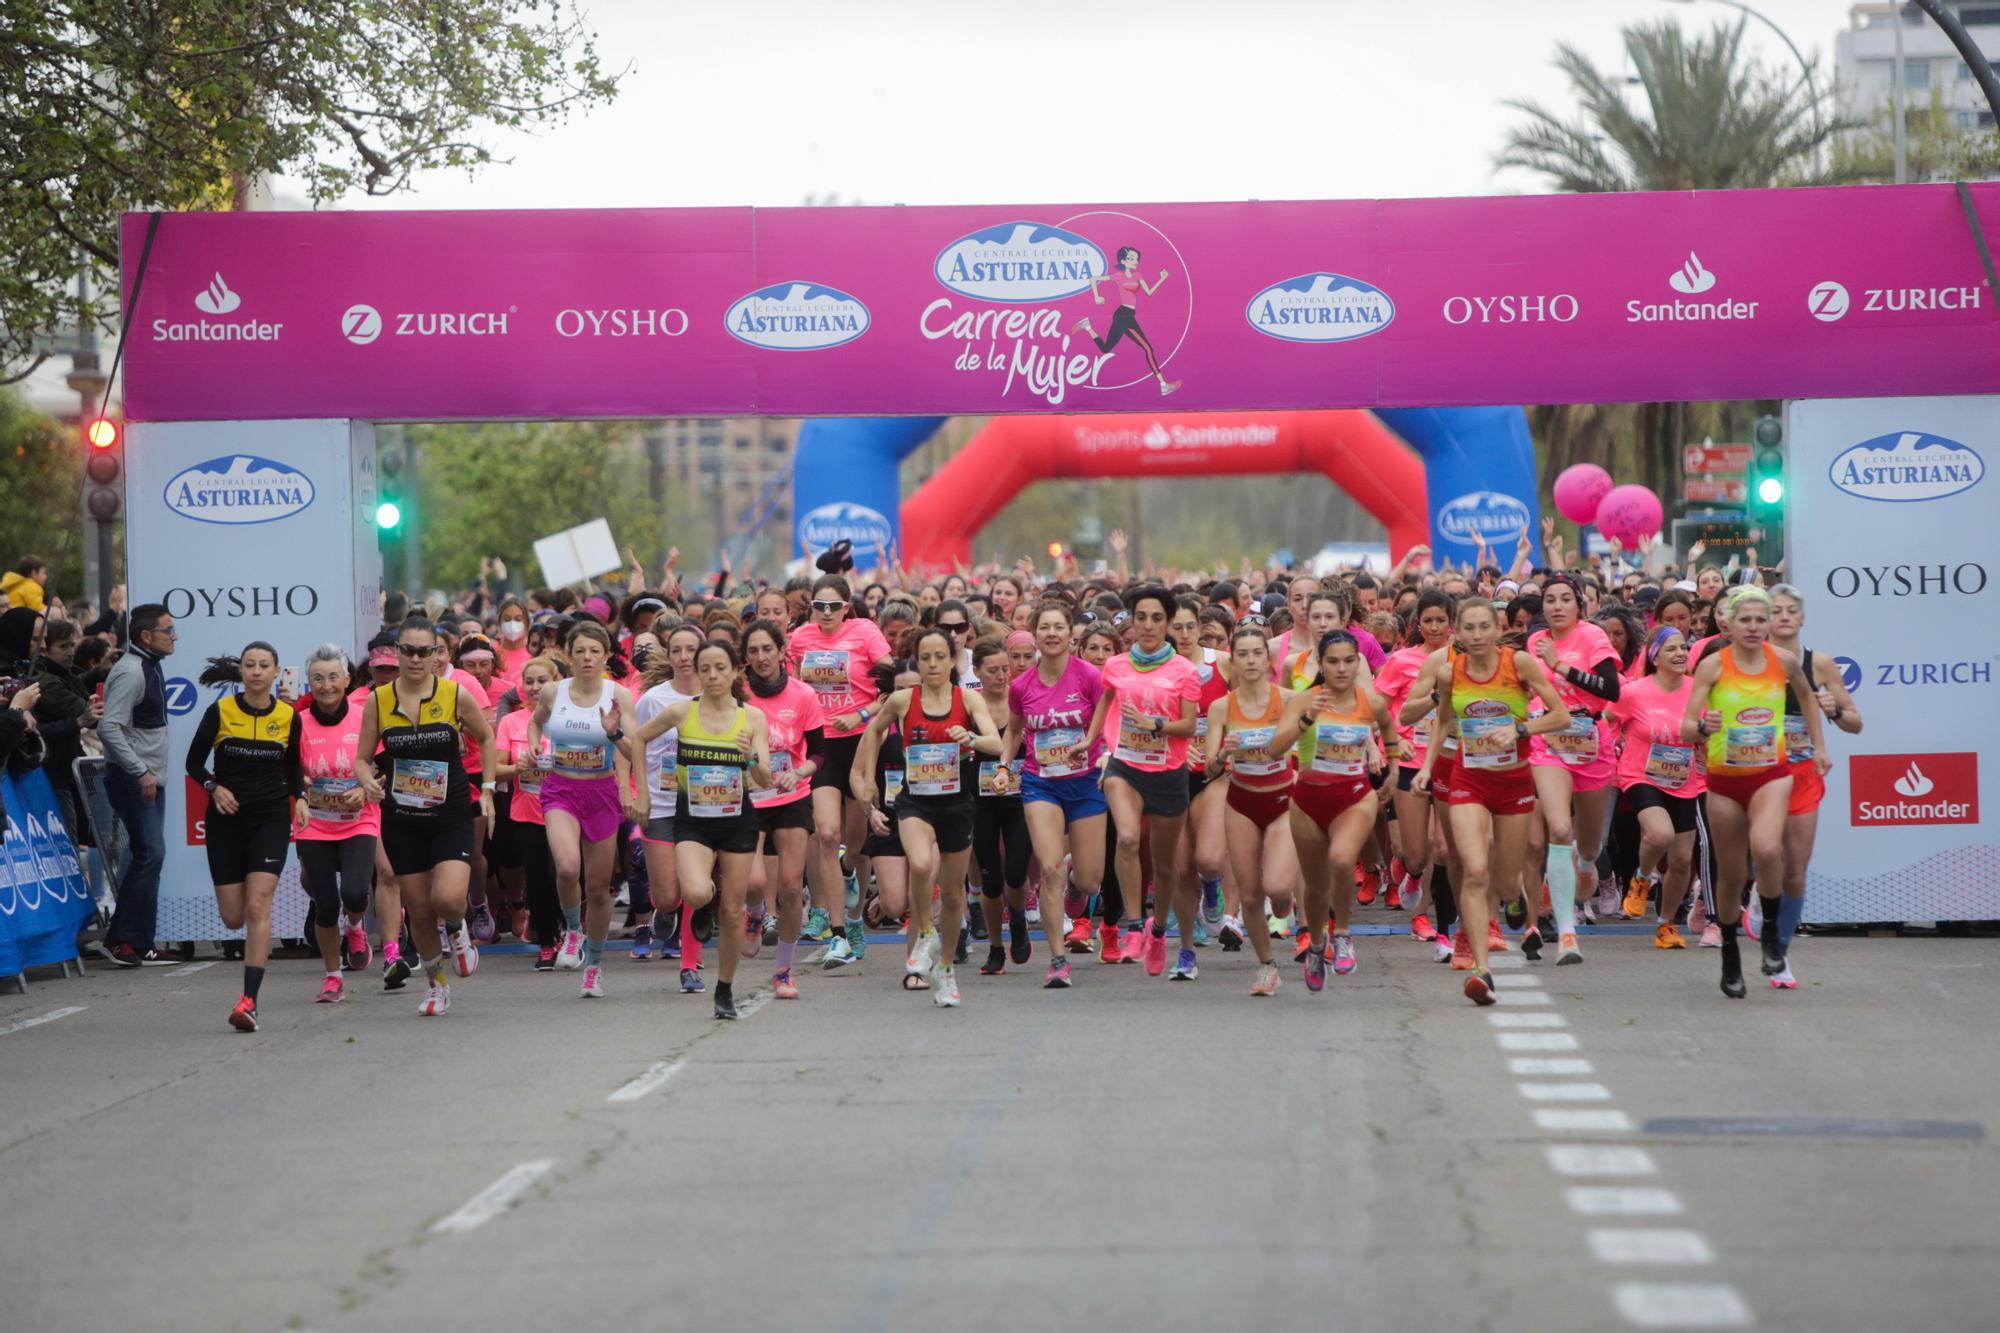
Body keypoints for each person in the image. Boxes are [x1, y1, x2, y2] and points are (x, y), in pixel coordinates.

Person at [1410, 599, 1570, 1006]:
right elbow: (1443, 721)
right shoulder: (1450, 673)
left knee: (1503, 880)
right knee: (1475, 869)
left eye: (1485, 627)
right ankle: (1482, 969)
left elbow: (1561, 716)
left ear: (1497, 630)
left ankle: (1513, 895)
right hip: (1468, 780)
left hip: (1513, 782)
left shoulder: (1520, 665)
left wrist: (1520, 728)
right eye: (1470, 628)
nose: (1478, 635)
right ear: (1458, 634)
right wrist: (1427, 768)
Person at [1680, 586, 1827, 1000]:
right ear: (1727, 623)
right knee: (1732, 874)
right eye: (1744, 619)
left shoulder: (1783, 661)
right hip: (1725, 781)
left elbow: (1807, 696)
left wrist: (1819, 746)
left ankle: (1772, 943)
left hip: (1772, 775)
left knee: (1767, 849)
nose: (1753, 627)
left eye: (1760, 620)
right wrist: (1704, 726)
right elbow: (1686, 727)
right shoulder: (1712, 666)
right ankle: (1729, 949)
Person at [353, 615, 498, 1017]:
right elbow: (362, 759)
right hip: (401, 816)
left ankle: (459, 926)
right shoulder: (378, 700)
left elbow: (486, 737)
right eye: (408, 651)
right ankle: (437, 985)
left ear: (437, 654)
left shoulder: (453, 694)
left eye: (424, 651)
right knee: (418, 909)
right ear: (397, 654)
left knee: (449, 898)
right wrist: (367, 782)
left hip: (449, 810)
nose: (416, 659)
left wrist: (487, 788)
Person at [854, 628, 1005, 1007]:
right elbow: (872, 733)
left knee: (953, 895)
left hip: (956, 803)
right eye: (926, 658)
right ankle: (924, 934)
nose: (934, 664)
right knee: (921, 865)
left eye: (941, 657)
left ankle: (948, 969)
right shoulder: (904, 701)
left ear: (952, 661)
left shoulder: (967, 699)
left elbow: (996, 742)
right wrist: (867, 783)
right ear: (918, 662)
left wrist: (970, 739)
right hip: (915, 801)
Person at [631, 639, 775, 1020]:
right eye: (705, 668)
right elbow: (639, 737)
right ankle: (702, 905)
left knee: (732, 911)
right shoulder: (681, 712)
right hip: (692, 819)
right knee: (695, 892)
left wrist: (752, 757)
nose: (712, 676)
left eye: (720, 668)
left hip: (737, 821)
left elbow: (764, 777)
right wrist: (641, 791)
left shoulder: (752, 718)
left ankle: (724, 988)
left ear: (735, 672)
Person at [186, 644, 309, 1031]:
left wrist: (300, 797)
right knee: (233, 916)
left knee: (258, 906)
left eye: (264, 666)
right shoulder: (220, 711)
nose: (256, 672)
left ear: (276, 673)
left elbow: (292, 766)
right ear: (241, 672)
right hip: (226, 821)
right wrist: (214, 787)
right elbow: (193, 762)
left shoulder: (288, 716)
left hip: (270, 818)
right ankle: (248, 995)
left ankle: (249, 1001)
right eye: (249, 665)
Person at [1086, 585, 1203, 980]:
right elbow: (1106, 699)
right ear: (1131, 622)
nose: (1149, 626)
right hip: (1125, 766)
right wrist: (1090, 740)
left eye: (1156, 618)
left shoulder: (1185, 671)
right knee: (1128, 839)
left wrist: (1156, 725)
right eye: (1141, 618)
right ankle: (1133, 926)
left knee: (1167, 866)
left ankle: (1157, 930)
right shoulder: (1116, 665)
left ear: (1168, 624)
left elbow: (1188, 725)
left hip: (1169, 773)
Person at [527, 621, 638, 999]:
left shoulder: (619, 695)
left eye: (595, 651)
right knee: (567, 867)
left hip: (601, 793)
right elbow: (534, 722)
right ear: (568, 656)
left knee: (599, 889)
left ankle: (594, 966)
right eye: (580, 652)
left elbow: (633, 751)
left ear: (606, 656)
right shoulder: (554, 692)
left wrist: (613, 733)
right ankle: (573, 931)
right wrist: (534, 746)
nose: (587, 658)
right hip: (560, 789)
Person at [788, 575, 894, 967]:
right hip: (821, 745)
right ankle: (839, 934)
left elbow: (892, 686)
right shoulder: (800, 639)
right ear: (811, 607)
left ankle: (850, 877)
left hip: (863, 740)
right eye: (820, 605)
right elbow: (794, 686)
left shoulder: (865, 632)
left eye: (835, 606)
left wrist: (861, 714)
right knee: (828, 834)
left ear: (848, 606)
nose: (827, 613)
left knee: (857, 838)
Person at [1001, 601, 1108, 985]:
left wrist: (1104, 754)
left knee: (1091, 880)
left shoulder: (1090, 677)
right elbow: (1014, 732)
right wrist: (1002, 766)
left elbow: (1106, 721)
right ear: (1035, 634)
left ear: (1069, 634)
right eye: (1043, 627)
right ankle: (1058, 959)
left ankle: (1077, 886)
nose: (1051, 633)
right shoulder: (1021, 686)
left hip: (1085, 784)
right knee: (1049, 869)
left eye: (1058, 627)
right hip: (1040, 782)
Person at [1286, 631, 1399, 988]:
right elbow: (1276, 748)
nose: (1341, 668)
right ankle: (1317, 944)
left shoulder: (1371, 703)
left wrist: (1394, 769)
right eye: (1332, 661)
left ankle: (1344, 934)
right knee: (1316, 886)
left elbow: (1389, 731)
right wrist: (1305, 719)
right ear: (1320, 664)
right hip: (1308, 799)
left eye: (1349, 660)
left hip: (1355, 796)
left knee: (1340, 860)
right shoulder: (1303, 699)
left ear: (1359, 663)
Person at [1765, 584, 1862, 988]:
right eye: (1776, 611)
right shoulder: (1750, 661)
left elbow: (1855, 723)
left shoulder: (1819, 663)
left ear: (1802, 618)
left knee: (1796, 872)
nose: (1784, 617)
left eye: (1791, 611)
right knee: (1766, 851)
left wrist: (1834, 708)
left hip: (1803, 771)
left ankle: (1780, 953)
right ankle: (1759, 893)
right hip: (1759, 770)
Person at [1204, 626, 1308, 995]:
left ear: (1268, 660)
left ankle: (1286, 907)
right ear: (1233, 661)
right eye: (1243, 654)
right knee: (1249, 894)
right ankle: (1267, 966)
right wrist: (1223, 754)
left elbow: (1318, 735)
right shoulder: (1221, 707)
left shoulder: (1290, 699)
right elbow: (1209, 769)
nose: (1250, 661)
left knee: (1277, 888)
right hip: (1242, 803)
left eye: (1257, 654)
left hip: (1282, 800)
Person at [1525, 573, 1623, 965]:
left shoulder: (1593, 638)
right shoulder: (1535, 642)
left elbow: (1611, 690)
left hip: (1591, 741)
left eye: (1566, 599)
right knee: (1559, 828)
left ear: (1579, 605)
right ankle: (1567, 933)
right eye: (1550, 600)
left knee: (1587, 844)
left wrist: (1561, 667)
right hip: (1549, 741)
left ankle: (1584, 866)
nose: (1557, 606)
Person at [741, 618, 824, 1001]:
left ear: (781, 652)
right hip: (750, 798)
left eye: (767, 650)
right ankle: (756, 913)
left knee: (791, 887)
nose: (761, 657)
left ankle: (784, 971)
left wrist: (799, 772)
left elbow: (819, 752)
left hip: (792, 797)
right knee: (756, 882)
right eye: (753, 651)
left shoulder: (803, 695)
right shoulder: (736, 694)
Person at [1605, 628, 1703, 948]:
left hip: (1684, 780)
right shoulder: (1635, 692)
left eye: (1683, 648)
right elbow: (1607, 722)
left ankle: (1665, 925)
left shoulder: (1697, 690)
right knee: (1660, 834)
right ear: (1654, 656)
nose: (1679, 654)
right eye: (1671, 649)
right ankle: (1642, 877)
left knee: (1681, 860)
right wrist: (1606, 755)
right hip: (1640, 775)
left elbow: (1707, 731)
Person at [295, 645, 380, 1002]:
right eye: (318, 678)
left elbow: (381, 762)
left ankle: (356, 926)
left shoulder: (364, 716)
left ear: (347, 679)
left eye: (333, 677)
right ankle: (332, 977)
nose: (326, 685)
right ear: (309, 683)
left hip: (359, 819)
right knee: (326, 904)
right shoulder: (297, 722)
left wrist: (365, 786)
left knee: (355, 894)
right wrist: (300, 789)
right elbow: (288, 770)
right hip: (314, 823)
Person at [95, 602, 177, 968]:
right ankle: (119, 939)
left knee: (149, 857)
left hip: (148, 779)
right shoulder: (131, 672)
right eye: (168, 630)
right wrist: (141, 771)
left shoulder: (149, 666)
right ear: (147, 636)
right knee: (150, 855)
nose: (175, 637)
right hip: (134, 780)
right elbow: (108, 728)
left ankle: (141, 942)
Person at [636, 624, 707, 985]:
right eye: (676, 649)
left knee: (696, 886)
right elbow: (636, 744)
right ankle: (664, 912)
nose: (684, 657)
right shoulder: (652, 700)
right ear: (668, 654)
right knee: (667, 896)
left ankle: (689, 966)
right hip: (660, 804)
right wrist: (638, 793)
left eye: (691, 649)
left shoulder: (718, 698)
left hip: (702, 805)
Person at [493, 657, 561, 968]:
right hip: (526, 812)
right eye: (529, 682)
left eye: (542, 681)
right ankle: (547, 942)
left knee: (561, 874)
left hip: (565, 810)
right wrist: (515, 767)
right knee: (538, 880)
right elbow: (494, 769)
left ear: (556, 682)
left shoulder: (567, 719)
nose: (535, 688)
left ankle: (569, 929)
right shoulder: (511, 722)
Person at [969, 635, 1031, 974]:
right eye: (992, 670)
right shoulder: (969, 706)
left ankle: (1019, 920)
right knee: (991, 879)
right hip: (981, 801)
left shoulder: (1021, 700)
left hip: (1021, 797)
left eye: (1005, 669)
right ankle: (995, 947)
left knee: (1016, 871)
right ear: (977, 671)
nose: (1001, 676)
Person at [1074, 245, 1181, 395]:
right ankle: (1163, 385)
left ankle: (1087, 326)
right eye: (1131, 259)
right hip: (1124, 315)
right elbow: (1094, 279)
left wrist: (1161, 279)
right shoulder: (1118, 276)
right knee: (1148, 349)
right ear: (1123, 261)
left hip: (1126, 315)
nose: (1135, 261)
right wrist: (1096, 296)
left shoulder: (1138, 275)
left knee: (1105, 349)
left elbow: (1149, 292)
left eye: (1136, 258)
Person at [31, 618, 99, 844]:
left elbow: (79, 687)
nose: (70, 652)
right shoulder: (45, 682)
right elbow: (81, 709)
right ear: (45, 649)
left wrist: (100, 671)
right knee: (66, 844)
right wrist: (79, 721)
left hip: (65, 770)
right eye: (63, 646)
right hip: (54, 773)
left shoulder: (65, 675)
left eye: (73, 645)